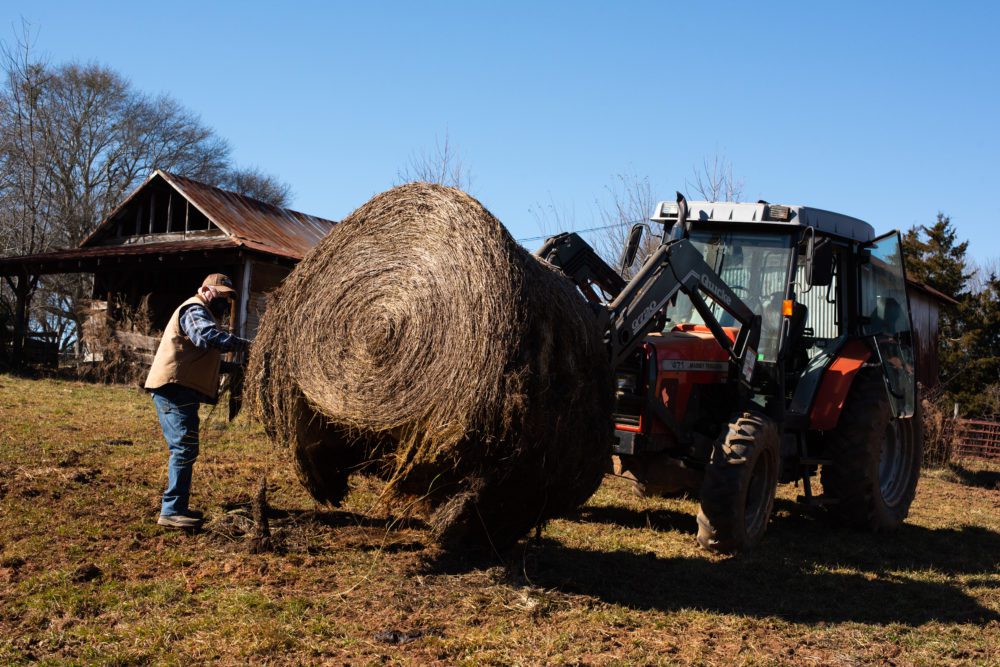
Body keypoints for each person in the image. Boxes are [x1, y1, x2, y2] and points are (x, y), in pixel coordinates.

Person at [144, 274, 250, 528]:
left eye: (228, 299)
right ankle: (171, 511)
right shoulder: (194, 308)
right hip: (174, 388)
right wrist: (250, 346)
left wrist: (234, 369)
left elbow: (204, 356)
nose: (224, 303)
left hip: (182, 389)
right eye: (221, 296)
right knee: (184, 448)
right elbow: (207, 337)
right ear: (205, 289)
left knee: (186, 448)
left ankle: (176, 506)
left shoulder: (204, 313)